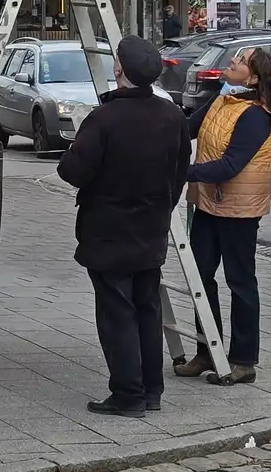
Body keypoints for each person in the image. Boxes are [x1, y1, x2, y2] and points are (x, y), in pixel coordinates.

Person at [57, 36, 191, 417]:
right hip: (151, 227)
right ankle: (151, 390)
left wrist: (74, 146)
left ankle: (128, 393)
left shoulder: (104, 118)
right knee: (147, 308)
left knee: (117, 313)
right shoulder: (172, 116)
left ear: (119, 71)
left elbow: (73, 171)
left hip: (109, 230)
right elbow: (180, 172)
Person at [175, 46, 271, 386]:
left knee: (240, 281)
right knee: (200, 278)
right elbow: (187, 128)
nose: (231, 63)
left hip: (239, 209)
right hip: (208, 202)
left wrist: (179, 173)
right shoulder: (224, 100)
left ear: (252, 78)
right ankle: (208, 348)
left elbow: (231, 165)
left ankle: (243, 360)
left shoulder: (256, 115)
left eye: (238, 62)